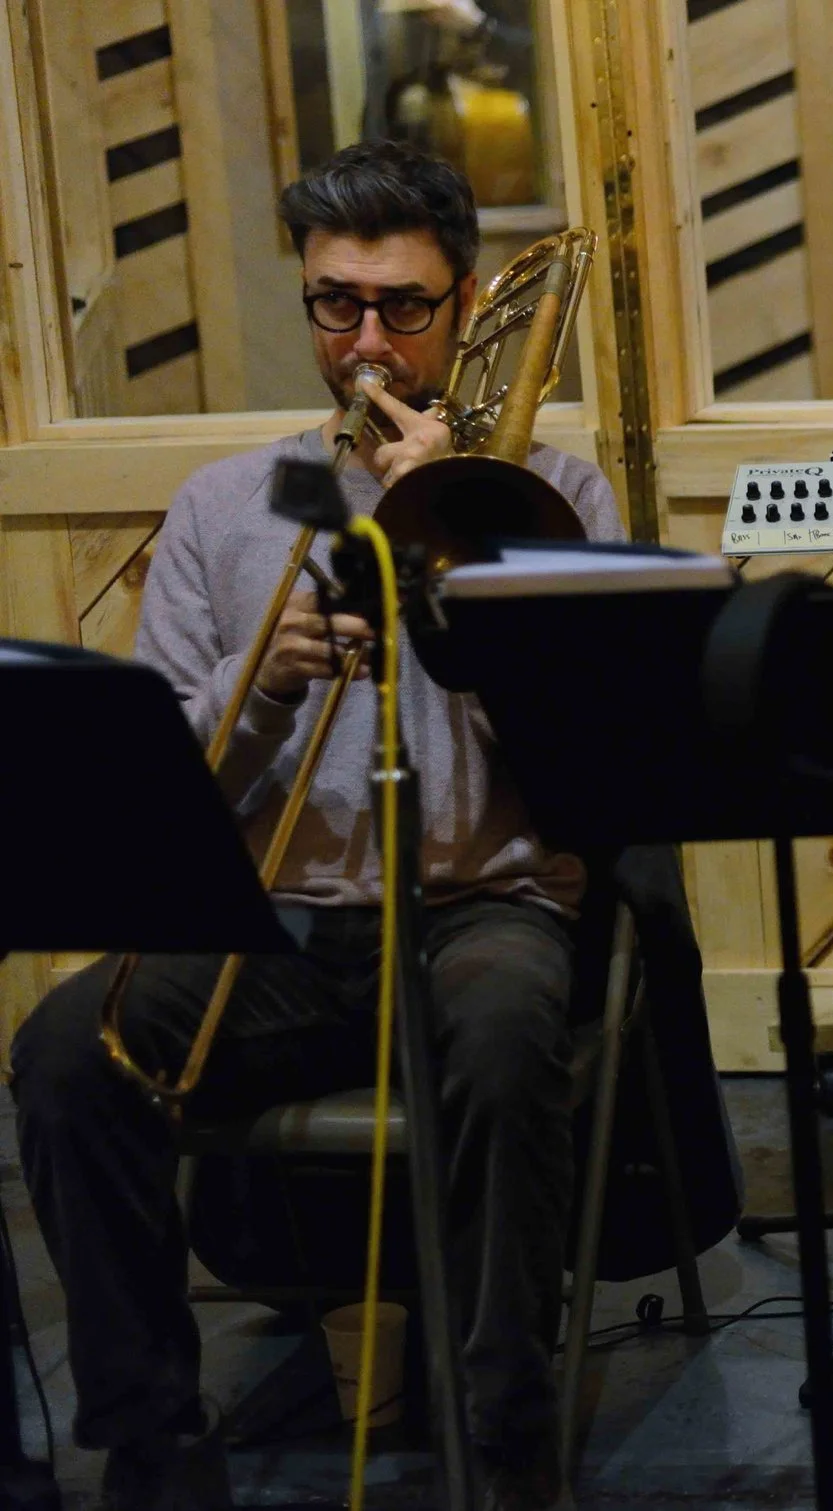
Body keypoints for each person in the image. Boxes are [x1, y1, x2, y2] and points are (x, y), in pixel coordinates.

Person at [11, 140, 620, 1511]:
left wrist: (467, 535)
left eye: (404, 307)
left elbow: (598, 758)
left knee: (510, 1036)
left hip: (482, 905)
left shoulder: (556, 494)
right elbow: (158, 789)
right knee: (64, 1054)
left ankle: (503, 1440)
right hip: (276, 920)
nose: (369, 346)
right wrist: (263, 678)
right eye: (336, 305)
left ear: (467, 305)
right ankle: (155, 1449)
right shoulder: (227, 505)